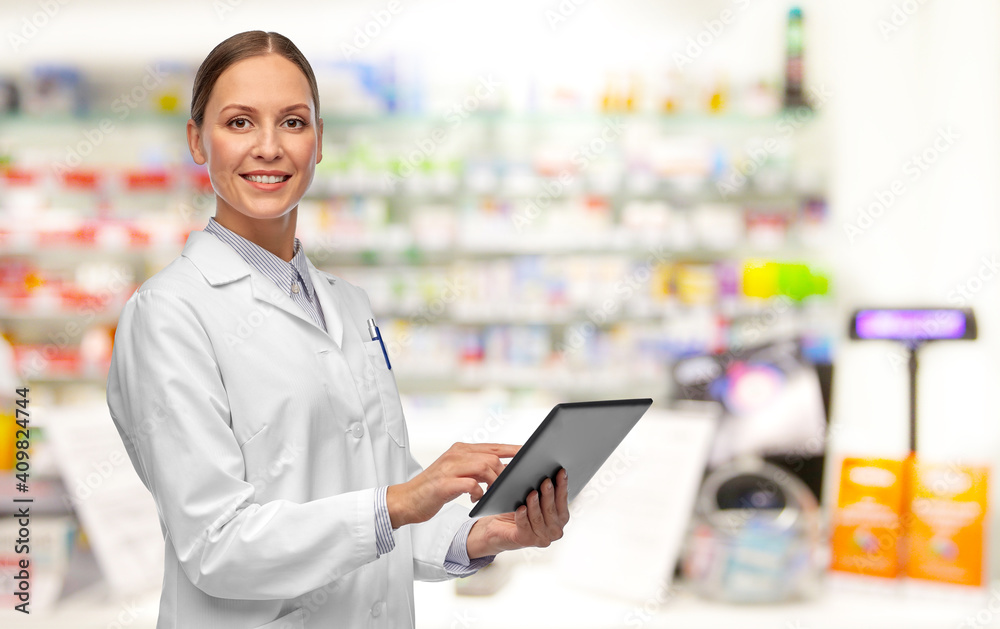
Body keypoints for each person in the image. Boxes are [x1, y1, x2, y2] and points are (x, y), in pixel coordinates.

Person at [105, 30, 569, 629]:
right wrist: (398, 502)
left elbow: (375, 499)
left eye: (293, 123)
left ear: (319, 142)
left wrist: (484, 534)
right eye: (240, 122)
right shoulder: (168, 313)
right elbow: (215, 543)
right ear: (198, 139)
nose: (268, 147)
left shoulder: (346, 304)